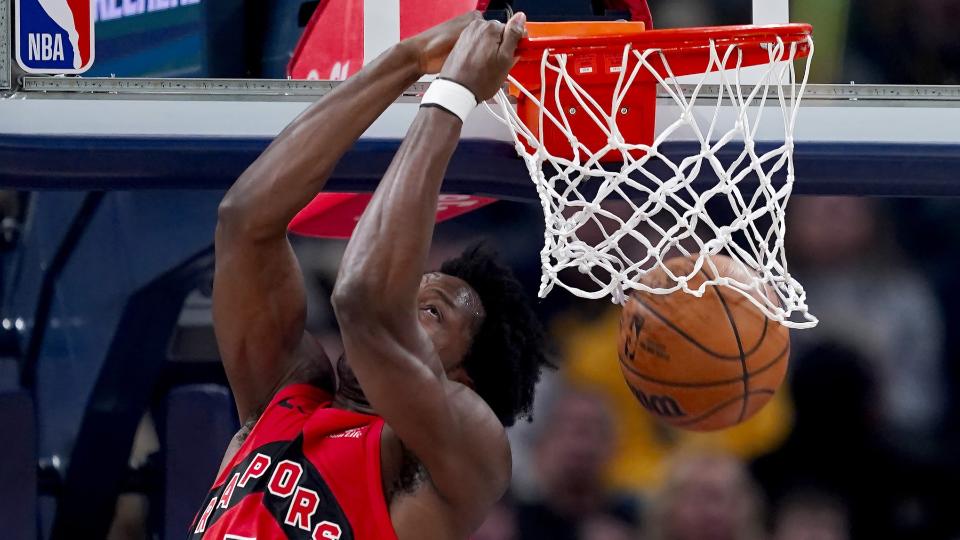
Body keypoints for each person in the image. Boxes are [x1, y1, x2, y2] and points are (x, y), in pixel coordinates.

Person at [190, 11, 551, 539]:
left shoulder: (466, 454)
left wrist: (455, 93)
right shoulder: (289, 393)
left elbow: (364, 301)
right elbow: (245, 222)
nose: (406, 298)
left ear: (461, 381)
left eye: (431, 311)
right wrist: (407, 59)